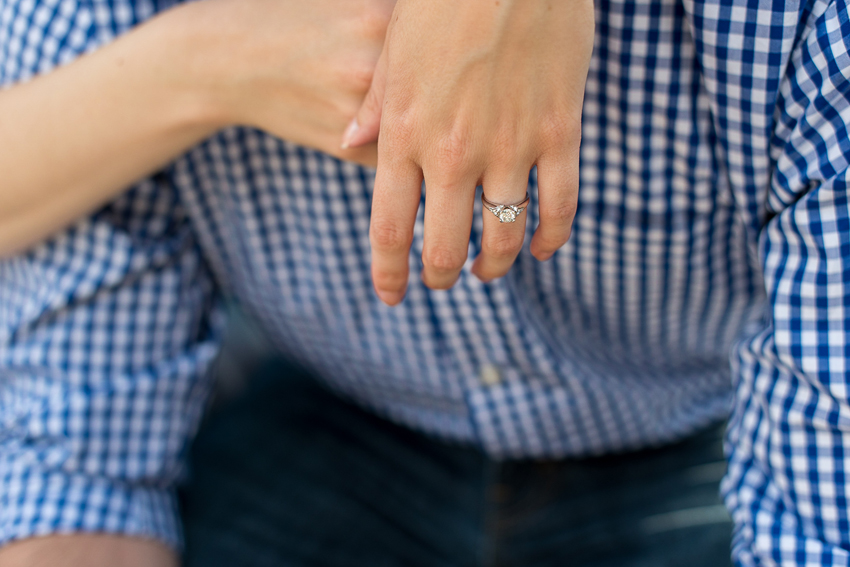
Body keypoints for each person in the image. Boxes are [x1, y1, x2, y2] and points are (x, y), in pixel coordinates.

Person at [0, 0, 847, 563]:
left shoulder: (788, 24)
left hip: (700, 425)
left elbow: (820, 510)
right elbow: (80, 455)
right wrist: (213, 59)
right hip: (343, 421)